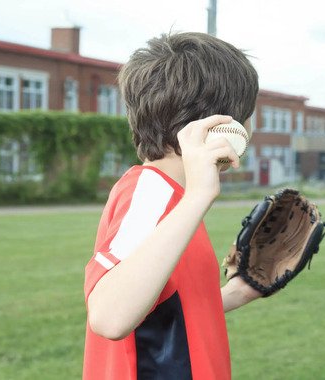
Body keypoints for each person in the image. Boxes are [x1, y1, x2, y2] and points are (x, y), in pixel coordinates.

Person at [82, 32, 262, 379]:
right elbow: (108, 315)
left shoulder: (172, 197)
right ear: (221, 127)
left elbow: (163, 314)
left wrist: (235, 294)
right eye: (247, 116)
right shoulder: (152, 194)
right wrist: (197, 198)